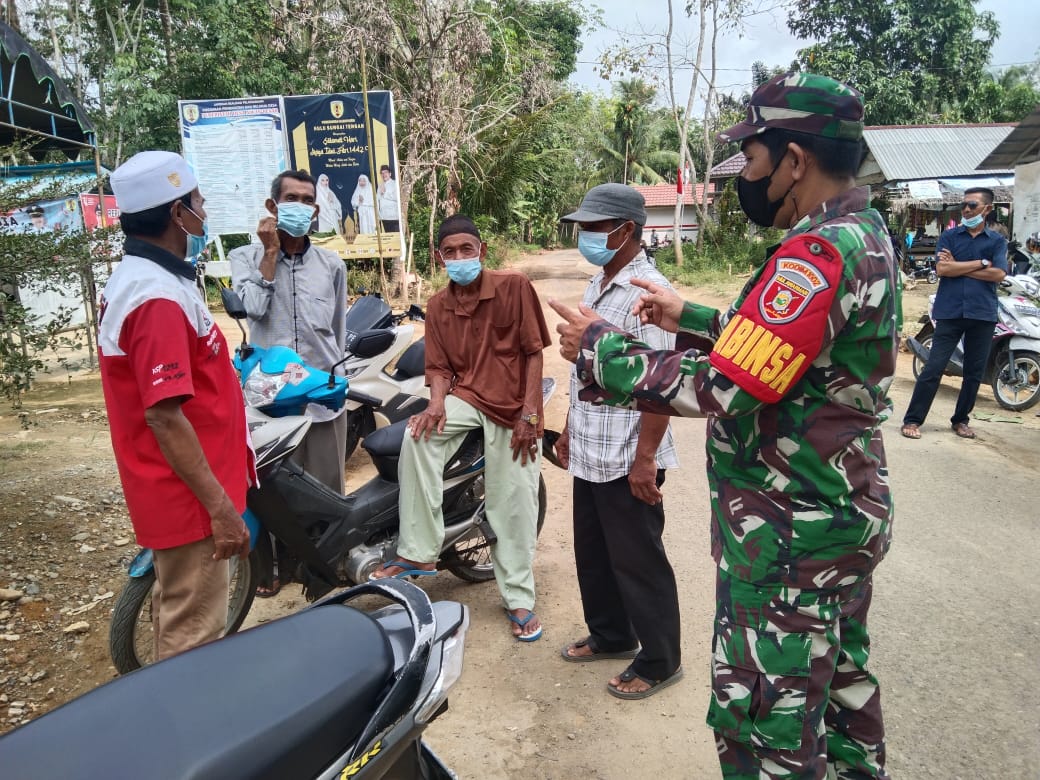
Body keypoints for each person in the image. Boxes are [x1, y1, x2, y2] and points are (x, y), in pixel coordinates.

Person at [551, 72, 897, 778]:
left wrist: (599, 350)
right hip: (836, 516)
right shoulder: (864, 234)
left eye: (756, 156)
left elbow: (726, 389)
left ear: (795, 161)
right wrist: (695, 318)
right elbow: (784, 351)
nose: (750, 173)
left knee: (765, 720)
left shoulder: (817, 253)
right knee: (838, 695)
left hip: (788, 536)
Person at [97, 151, 253, 660]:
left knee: (179, 612)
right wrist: (220, 510)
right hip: (190, 500)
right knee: (194, 641)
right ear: (176, 214)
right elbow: (164, 415)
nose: (204, 213)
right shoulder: (154, 298)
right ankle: (192, 734)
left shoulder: (157, 280)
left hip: (186, 491)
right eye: (199, 204)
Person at [370, 215, 551, 643]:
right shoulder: (437, 306)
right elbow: (438, 368)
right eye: (449, 252)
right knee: (418, 435)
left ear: (481, 251)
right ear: (439, 257)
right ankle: (419, 553)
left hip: (512, 407)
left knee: (514, 502)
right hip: (466, 399)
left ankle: (519, 598)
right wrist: (434, 404)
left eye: (465, 250)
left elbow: (534, 355)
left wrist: (531, 416)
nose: (458, 258)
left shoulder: (514, 288)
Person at [556, 183, 683, 700]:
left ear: (624, 230)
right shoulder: (599, 284)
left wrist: (645, 459)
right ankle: (611, 634)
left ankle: (659, 659)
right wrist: (567, 427)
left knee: (637, 558)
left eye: (592, 227)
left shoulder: (649, 294)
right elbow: (582, 371)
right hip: (592, 445)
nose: (584, 235)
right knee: (594, 551)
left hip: (630, 451)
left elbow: (663, 384)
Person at [901, 187, 1008, 441]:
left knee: (974, 372)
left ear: (987, 209)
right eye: (964, 206)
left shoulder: (997, 242)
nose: (966, 210)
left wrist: (958, 266)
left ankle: (961, 420)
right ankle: (913, 419)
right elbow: (942, 269)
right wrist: (981, 263)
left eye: (972, 205)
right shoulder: (949, 237)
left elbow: (999, 274)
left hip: (982, 313)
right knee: (934, 367)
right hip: (950, 311)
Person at [377, 164, 400, 232]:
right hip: (384, 217)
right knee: (389, 238)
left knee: (395, 238)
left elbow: (397, 197)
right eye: (382, 173)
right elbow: (378, 199)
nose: (384, 174)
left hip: (394, 217)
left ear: (390, 174)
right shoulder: (380, 185)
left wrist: (384, 193)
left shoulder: (395, 183)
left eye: (386, 172)